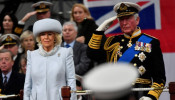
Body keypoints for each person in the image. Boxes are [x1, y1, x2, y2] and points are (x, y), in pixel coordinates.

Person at [87, 2, 166, 100]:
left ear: (137, 20)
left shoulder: (151, 42)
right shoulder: (112, 41)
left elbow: (160, 77)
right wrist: (99, 31)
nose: (124, 23)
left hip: (141, 94)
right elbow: (92, 54)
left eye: (128, 18)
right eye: (121, 19)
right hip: (117, 94)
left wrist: (151, 97)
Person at [23, 18, 77, 100]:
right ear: (39, 37)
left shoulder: (65, 53)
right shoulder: (32, 55)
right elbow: (28, 84)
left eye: (50, 34)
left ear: (55, 36)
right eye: (43, 34)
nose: (46, 37)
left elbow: (71, 80)